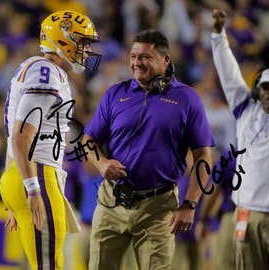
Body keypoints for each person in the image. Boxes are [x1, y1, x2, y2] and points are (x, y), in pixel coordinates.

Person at [82, 29, 215, 270]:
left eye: (145, 57)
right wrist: (101, 163)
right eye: (133, 56)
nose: (136, 62)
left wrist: (190, 204)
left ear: (166, 60)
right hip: (112, 200)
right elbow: (88, 139)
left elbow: (204, 157)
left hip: (158, 207)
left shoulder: (187, 99)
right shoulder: (115, 93)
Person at [0, 10, 101, 270]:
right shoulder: (45, 72)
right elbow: (21, 137)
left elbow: (15, 138)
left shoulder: (36, 68)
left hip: (22, 173)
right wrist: (32, 189)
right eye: (83, 42)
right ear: (63, 39)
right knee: (49, 265)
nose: (87, 50)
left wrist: (17, 186)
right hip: (38, 175)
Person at [211, 9, 269, 270]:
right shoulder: (246, 111)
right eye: (265, 88)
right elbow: (229, 73)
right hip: (245, 212)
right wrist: (218, 36)